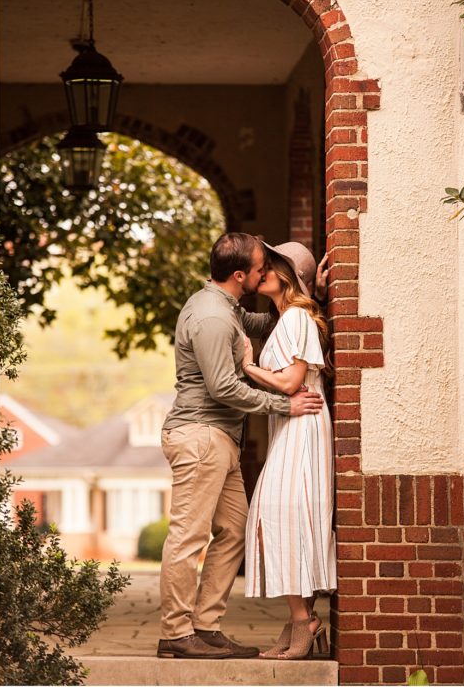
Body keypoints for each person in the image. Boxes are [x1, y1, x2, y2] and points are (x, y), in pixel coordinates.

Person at [157, 233, 325, 659]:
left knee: (234, 530)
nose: (262, 271)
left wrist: (309, 292)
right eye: (258, 267)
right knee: (188, 536)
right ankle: (176, 633)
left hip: (220, 439)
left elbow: (274, 321)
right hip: (199, 436)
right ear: (239, 275)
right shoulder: (212, 317)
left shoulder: (228, 309)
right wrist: (284, 404)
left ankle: (206, 625)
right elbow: (224, 386)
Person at [240, 242, 338, 660]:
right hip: (292, 425)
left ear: (286, 274)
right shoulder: (290, 316)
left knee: (280, 513)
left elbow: (291, 382)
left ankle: (304, 621)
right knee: (292, 517)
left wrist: (249, 367)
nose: (260, 270)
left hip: (303, 423)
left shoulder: (296, 316)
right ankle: (301, 618)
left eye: (270, 265)